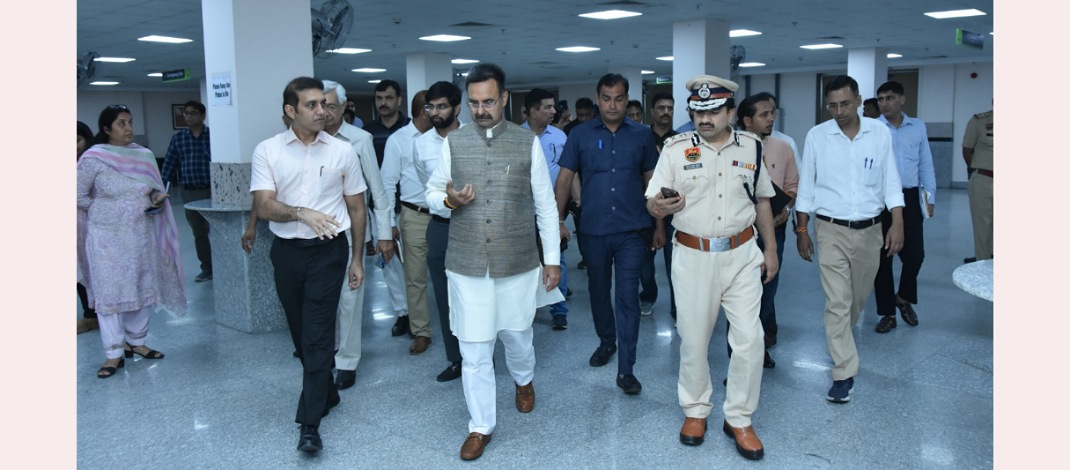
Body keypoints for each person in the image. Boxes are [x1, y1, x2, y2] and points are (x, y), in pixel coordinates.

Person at [425, 63, 562, 461]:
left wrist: (552, 260)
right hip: (466, 262)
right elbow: (431, 194)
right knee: (474, 349)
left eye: (488, 102)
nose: (480, 110)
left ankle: (524, 379)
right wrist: (449, 200)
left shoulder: (526, 143)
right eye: (473, 103)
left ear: (503, 98)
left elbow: (545, 206)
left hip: (517, 261)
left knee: (517, 337)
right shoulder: (453, 143)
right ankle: (480, 426)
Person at [646, 74, 778, 461]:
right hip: (693, 256)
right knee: (693, 340)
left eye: (713, 111)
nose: (704, 119)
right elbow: (653, 201)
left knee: (750, 340)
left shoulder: (752, 147)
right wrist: (659, 208)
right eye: (698, 112)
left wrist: (771, 250)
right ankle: (695, 410)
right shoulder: (676, 149)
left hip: (742, 254)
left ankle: (739, 417)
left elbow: (762, 201)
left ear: (730, 113)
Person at [249, 77, 367, 454]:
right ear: (291, 110)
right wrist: (302, 213)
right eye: (312, 105)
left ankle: (309, 424)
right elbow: (264, 205)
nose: (323, 111)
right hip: (286, 252)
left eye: (325, 104)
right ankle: (327, 391)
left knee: (317, 335)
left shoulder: (342, 151)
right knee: (301, 334)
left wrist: (357, 258)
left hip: (329, 252)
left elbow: (357, 208)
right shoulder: (268, 150)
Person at [795, 75, 904, 403]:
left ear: (858, 100)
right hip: (830, 229)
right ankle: (843, 371)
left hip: (870, 230)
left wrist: (897, 223)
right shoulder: (817, 136)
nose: (839, 111)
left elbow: (891, 181)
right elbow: (806, 186)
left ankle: (842, 335)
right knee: (838, 302)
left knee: (856, 299)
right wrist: (802, 230)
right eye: (832, 106)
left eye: (845, 104)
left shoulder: (879, 133)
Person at [555, 73, 660, 395]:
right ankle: (606, 342)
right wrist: (556, 221)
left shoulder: (642, 135)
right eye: (606, 98)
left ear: (626, 100)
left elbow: (652, 181)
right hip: (594, 229)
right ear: (598, 99)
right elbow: (565, 179)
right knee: (598, 291)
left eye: (618, 98)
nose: (612, 105)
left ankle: (626, 369)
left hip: (632, 229)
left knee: (627, 297)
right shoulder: (580, 135)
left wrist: (659, 225)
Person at [77, 105, 186, 379]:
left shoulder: (143, 155)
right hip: (105, 237)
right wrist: (107, 209)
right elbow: (77, 195)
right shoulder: (93, 158)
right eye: (121, 123)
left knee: (140, 285)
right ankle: (113, 352)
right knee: (110, 292)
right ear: (106, 129)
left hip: (139, 234)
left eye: (130, 122)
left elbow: (152, 190)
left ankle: (136, 341)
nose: (128, 128)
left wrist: (156, 198)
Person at [726, 92, 799, 368]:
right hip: (741, 232)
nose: (771, 119)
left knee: (767, 293)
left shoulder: (784, 147)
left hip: (773, 231)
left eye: (773, 113)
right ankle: (737, 360)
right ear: (747, 120)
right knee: (739, 299)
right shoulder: (731, 149)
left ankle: (759, 348)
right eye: (764, 114)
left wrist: (786, 211)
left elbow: (792, 187)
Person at [873, 81, 936, 333]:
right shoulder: (873, 128)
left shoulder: (917, 126)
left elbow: (925, 162)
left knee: (915, 255)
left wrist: (930, 196)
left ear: (902, 99)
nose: (884, 103)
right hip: (880, 199)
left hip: (909, 196)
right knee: (883, 259)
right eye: (880, 99)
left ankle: (903, 298)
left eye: (889, 98)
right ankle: (887, 313)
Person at [413, 81, 465, 381]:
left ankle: (482, 358)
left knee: (475, 296)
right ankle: (456, 359)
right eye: (430, 107)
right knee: (445, 299)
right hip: (441, 227)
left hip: (473, 227)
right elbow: (429, 188)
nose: (434, 112)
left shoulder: (475, 137)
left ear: (457, 108)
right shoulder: (421, 145)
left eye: (442, 106)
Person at [381, 91, 432, 340]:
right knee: (415, 278)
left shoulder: (447, 136)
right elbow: (387, 184)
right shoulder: (398, 140)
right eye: (436, 108)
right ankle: (420, 331)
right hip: (414, 216)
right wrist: (389, 223)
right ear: (424, 111)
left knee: (452, 275)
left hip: (447, 215)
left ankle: (456, 328)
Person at [522, 88, 570, 330]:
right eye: (547, 107)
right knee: (525, 262)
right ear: (532, 111)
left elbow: (569, 172)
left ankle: (559, 310)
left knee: (556, 257)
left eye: (553, 106)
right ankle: (525, 308)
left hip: (551, 210)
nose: (553, 111)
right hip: (522, 212)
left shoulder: (560, 137)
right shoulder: (517, 137)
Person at [160, 100, 213, 282]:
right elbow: (169, 165)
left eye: (193, 113)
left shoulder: (213, 136)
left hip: (212, 192)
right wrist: (161, 188)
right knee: (199, 233)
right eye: (186, 113)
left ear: (202, 116)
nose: (189, 117)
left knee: (217, 231)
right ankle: (207, 268)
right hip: (190, 194)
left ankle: (223, 265)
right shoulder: (179, 139)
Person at [639, 92, 679, 318]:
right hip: (645, 210)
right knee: (645, 265)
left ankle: (677, 310)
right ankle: (648, 295)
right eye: (661, 108)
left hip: (675, 212)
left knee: (675, 265)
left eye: (670, 108)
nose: (666, 112)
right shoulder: (641, 138)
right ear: (652, 111)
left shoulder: (680, 141)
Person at [77, 120, 100, 334]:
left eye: (77, 140)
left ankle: (94, 314)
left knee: (91, 269)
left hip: (91, 222)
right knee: (78, 270)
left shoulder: (93, 162)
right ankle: (89, 313)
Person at [962, 106, 993, 262]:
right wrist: (976, 170)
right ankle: (982, 264)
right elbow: (967, 149)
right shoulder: (979, 121)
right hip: (984, 179)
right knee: (982, 228)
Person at [363, 79, 411, 167]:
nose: (383, 103)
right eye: (379, 98)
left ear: (399, 100)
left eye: (389, 98)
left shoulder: (410, 126)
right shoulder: (367, 131)